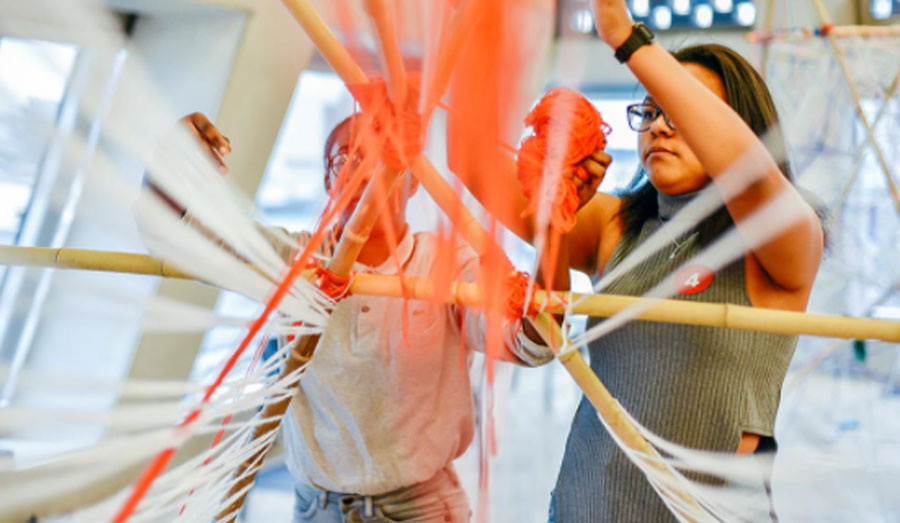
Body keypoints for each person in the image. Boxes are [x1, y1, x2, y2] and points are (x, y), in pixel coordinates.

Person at [447, 1, 824, 521]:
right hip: (587, 506)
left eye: (679, 111)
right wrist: (469, 26)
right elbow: (466, 155)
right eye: (648, 112)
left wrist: (626, 39)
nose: (658, 127)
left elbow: (752, 176)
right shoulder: (614, 224)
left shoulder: (784, 241)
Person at [144, 112, 553, 522]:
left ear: (412, 181)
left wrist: (550, 228)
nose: (367, 173)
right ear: (328, 182)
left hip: (422, 511)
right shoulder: (298, 261)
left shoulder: (447, 263)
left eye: (383, 158)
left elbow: (533, 343)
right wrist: (170, 162)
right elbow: (174, 236)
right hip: (318, 510)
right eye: (347, 160)